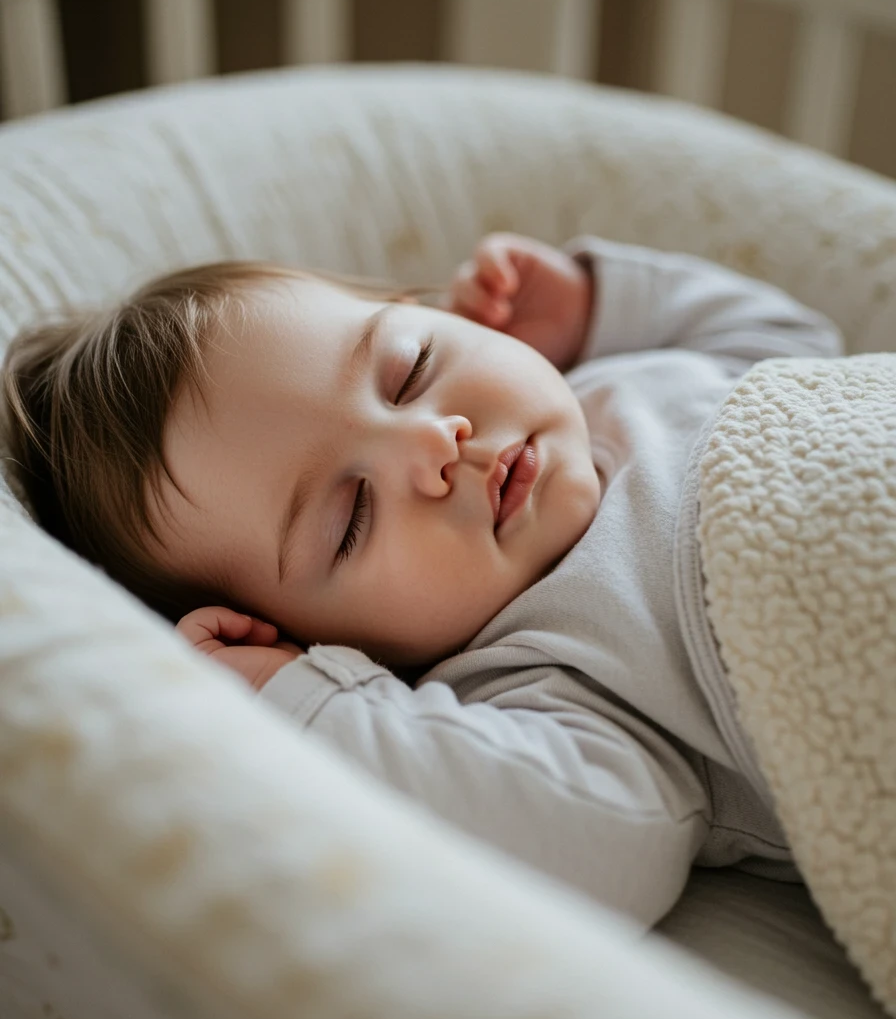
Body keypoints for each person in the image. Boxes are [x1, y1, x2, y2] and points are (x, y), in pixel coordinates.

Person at [0, 231, 845, 931]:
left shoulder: (628, 382)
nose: (435, 446)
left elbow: (799, 349)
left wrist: (594, 309)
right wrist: (305, 701)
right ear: (323, 639)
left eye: (410, 370)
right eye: (352, 519)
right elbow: (611, 844)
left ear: (429, 312)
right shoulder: (540, 681)